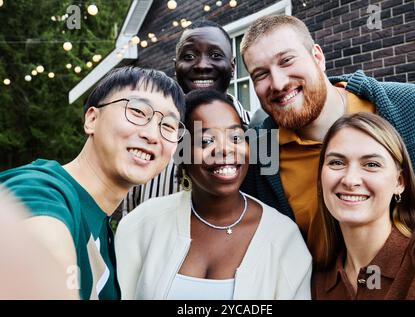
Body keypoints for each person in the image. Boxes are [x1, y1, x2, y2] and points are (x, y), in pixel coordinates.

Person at [239, 14, 415, 239]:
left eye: (287, 60)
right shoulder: (259, 152)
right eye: (261, 74)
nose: (279, 83)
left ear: (317, 57)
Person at [0, 66, 185, 299]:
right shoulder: (41, 190)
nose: (153, 134)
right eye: (138, 112)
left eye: (168, 126)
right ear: (92, 119)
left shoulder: (106, 238)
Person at [115, 90, 312, 300]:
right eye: (206, 141)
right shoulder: (142, 224)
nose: (225, 149)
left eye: (236, 137)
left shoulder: (283, 238)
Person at [310, 112, 415, 299]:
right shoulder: (318, 279)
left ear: (399, 182)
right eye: (336, 162)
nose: (350, 180)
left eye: (371, 164)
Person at [120, 20, 250, 215]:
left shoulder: (258, 132)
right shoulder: (145, 136)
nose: (202, 66)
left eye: (215, 55)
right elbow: (130, 214)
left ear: (232, 67)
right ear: (176, 67)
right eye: (189, 56)